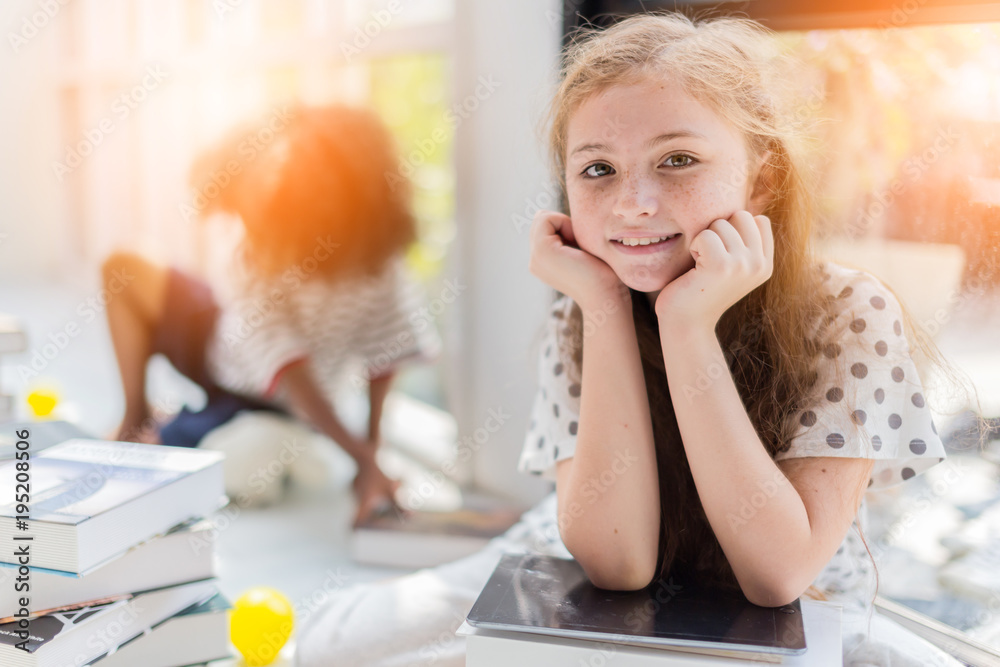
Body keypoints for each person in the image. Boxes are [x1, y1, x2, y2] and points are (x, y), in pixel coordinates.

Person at [295, 14, 970, 666]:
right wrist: (604, 305)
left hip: (796, 611)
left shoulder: (848, 312)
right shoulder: (585, 310)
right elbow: (617, 565)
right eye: (598, 169)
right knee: (334, 647)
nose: (634, 203)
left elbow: (777, 577)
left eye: (677, 159)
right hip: (591, 585)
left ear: (761, 179)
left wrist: (687, 325)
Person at [102, 104, 440, 527]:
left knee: (221, 459)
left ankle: (176, 428)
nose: (242, 220)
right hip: (219, 345)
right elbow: (279, 356)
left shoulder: (380, 264)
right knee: (124, 265)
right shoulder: (254, 251)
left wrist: (369, 456)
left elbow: (384, 357)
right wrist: (365, 459)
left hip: (266, 402)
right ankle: (136, 413)